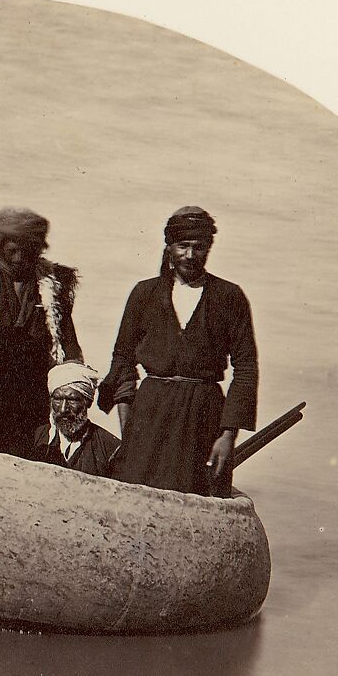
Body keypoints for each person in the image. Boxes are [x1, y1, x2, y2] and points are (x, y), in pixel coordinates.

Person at [98, 206, 258, 496]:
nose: (190, 255)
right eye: (182, 246)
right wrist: (129, 424)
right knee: (137, 498)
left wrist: (227, 436)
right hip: (149, 413)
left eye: (199, 247)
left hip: (203, 417)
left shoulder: (229, 297)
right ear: (169, 247)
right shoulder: (144, 294)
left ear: (209, 248)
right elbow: (122, 359)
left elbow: (246, 369)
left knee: (199, 497)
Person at [0, 207, 82, 457]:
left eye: (28, 250)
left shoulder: (54, 288)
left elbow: (67, 343)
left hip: (35, 394)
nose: (19, 258)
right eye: (12, 250)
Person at [31, 362, 120, 477]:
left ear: (88, 402)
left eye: (72, 400)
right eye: (57, 399)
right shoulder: (38, 437)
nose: (63, 409)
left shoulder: (110, 448)